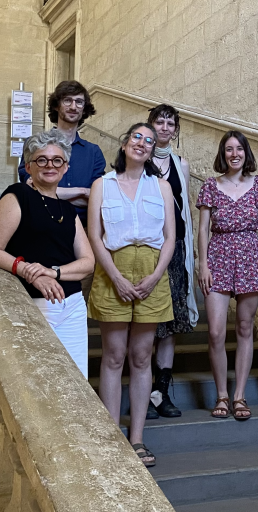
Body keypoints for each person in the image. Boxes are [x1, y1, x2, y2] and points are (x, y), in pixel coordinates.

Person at [87, 123, 176, 468]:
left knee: (141, 357)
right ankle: (112, 437)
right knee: (113, 355)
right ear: (124, 144)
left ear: (153, 151)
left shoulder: (162, 186)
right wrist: (115, 277)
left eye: (149, 141)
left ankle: (136, 437)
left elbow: (170, 237)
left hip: (152, 271)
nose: (142, 143)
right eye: (137, 137)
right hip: (114, 270)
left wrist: (155, 276)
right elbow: (95, 236)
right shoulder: (102, 185)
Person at [0, 129, 95, 377]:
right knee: (41, 381)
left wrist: (52, 272)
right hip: (34, 305)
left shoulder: (68, 209)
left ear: (65, 168)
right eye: (41, 160)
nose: (50, 166)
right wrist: (30, 272)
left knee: (76, 380)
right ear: (28, 166)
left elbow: (88, 263)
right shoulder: (18, 196)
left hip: (73, 306)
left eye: (57, 160)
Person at [197, 131, 258, 421]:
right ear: (223, 154)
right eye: (229, 149)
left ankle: (240, 395)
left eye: (239, 149)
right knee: (216, 331)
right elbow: (203, 229)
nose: (234, 154)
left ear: (246, 153)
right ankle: (221, 394)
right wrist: (202, 263)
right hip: (217, 254)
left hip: (250, 255)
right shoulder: (209, 185)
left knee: (245, 328)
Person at [145, 104, 198, 419]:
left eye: (169, 123)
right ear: (150, 126)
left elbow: (184, 213)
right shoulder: (137, 157)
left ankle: (160, 394)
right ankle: (144, 389)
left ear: (176, 130)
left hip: (175, 248)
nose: (164, 127)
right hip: (146, 250)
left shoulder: (182, 165)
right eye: (159, 122)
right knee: (147, 323)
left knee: (171, 323)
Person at [17, 80, 106, 227]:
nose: (73, 106)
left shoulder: (94, 152)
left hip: (82, 230)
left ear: (84, 109)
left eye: (79, 102)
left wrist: (50, 193)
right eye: (67, 100)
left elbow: (96, 197)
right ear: (56, 106)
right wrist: (82, 191)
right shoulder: (34, 145)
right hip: (41, 226)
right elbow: (34, 190)